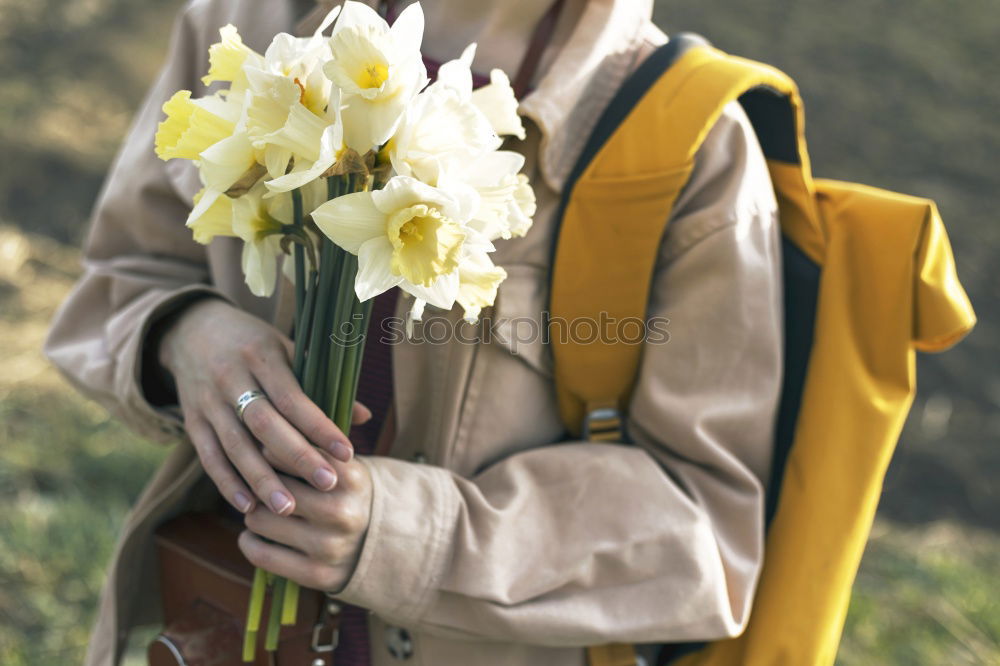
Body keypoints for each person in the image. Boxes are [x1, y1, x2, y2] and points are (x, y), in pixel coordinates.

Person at [44, 0, 784, 664]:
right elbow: (120, 278)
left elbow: (706, 529)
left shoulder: (691, 148)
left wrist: (402, 537)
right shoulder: (243, 22)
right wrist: (187, 335)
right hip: (231, 626)